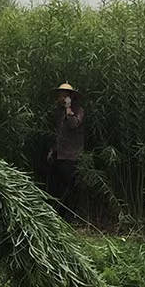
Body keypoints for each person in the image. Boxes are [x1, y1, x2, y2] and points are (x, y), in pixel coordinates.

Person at [47, 82, 85, 219]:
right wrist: (52, 150)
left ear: (70, 97)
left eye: (64, 95)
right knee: (57, 187)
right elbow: (58, 133)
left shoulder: (78, 110)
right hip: (59, 155)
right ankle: (59, 216)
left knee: (70, 188)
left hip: (71, 156)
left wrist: (69, 109)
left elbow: (73, 124)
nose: (60, 97)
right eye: (60, 95)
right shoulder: (58, 112)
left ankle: (70, 218)